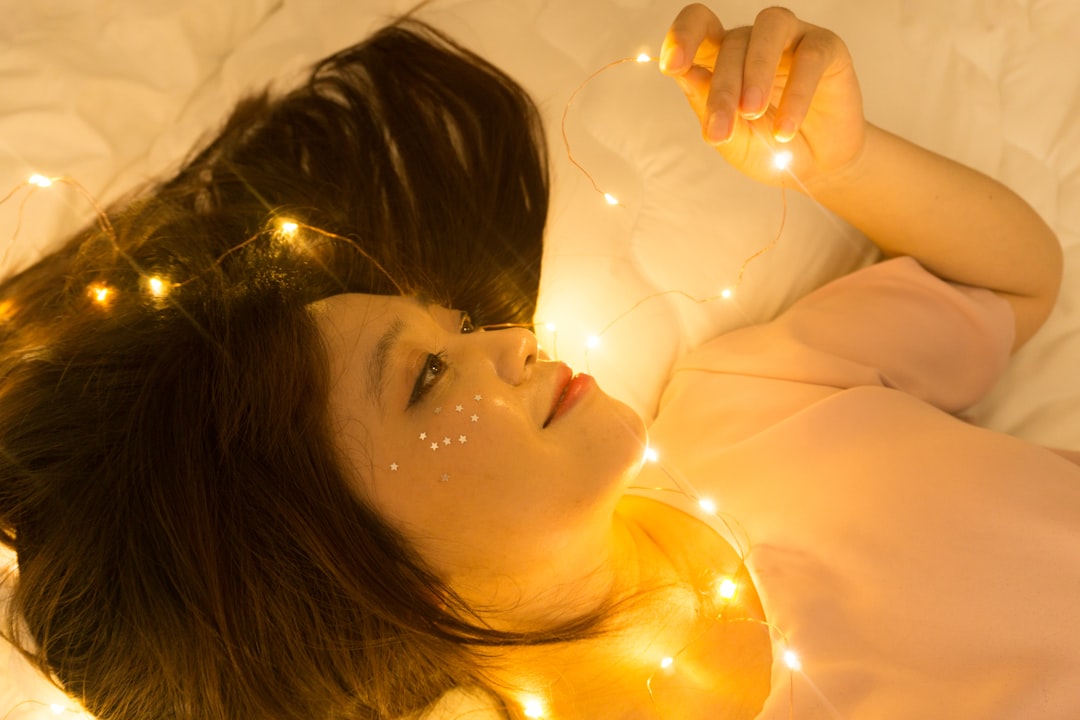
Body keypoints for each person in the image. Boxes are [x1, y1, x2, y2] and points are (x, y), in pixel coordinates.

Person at [1, 4, 1077, 720]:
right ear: (363, 582)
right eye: (426, 378)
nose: (510, 341)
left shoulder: (745, 413)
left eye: (458, 327)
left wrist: (846, 159)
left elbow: (1007, 284)